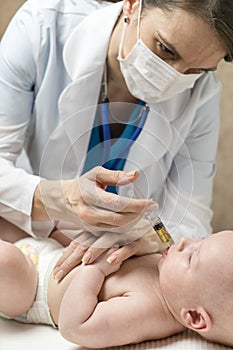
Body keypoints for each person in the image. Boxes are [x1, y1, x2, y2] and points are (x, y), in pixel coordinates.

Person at [0, 0, 232, 281]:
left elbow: (192, 223)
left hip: (119, 263)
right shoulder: (41, 27)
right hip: (24, 232)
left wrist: (151, 238)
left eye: (196, 70)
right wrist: (56, 198)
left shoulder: (202, 96)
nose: (174, 76)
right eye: (165, 49)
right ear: (133, 5)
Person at [1, 226, 233, 348]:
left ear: (193, 316)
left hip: (32, 289)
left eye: (192, 258)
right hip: (53, 251)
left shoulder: (147, 310)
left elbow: (74, 327)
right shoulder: (168, 275)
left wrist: (96, 270)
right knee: (13, 215)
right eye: (200, 240)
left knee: (6, 260)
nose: (184, 242)